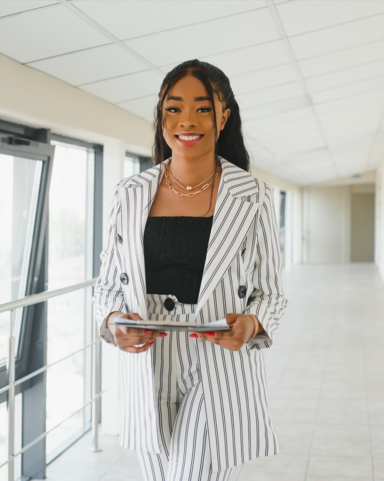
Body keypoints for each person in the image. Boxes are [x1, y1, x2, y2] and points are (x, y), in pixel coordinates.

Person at [92, 59, 287, 481]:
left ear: (223, 116)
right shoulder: (129, 194)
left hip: (216, 359)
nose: (187, 120)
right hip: (148, 360)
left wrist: (251, 324)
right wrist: (113, 320)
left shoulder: (253, 196)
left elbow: (271, 292)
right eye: (174, 107)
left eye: (202, 107)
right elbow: (106, 287)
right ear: (161, 116)